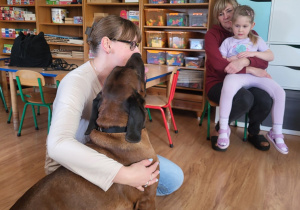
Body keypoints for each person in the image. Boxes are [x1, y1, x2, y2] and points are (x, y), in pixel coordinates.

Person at [45, 15, 184, 195]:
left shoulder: (119, 77)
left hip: (110, 149)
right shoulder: (76, 82)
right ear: (107, 44)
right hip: (75, 163)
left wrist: (139, 84)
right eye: (132, 45)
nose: (137, 52)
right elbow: (58, 145)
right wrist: (126, 175)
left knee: (173, 178)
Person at [216, 5, 288, 154]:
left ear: (252, 25)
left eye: (244, 26)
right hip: (237, 76)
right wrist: (233, 58)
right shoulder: (228, 42)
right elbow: (222, 60)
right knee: (227, 88)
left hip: (256, 76)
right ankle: (223, 128)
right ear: (232, 25)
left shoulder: (256, 40)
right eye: (237, 26)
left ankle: (276, 132)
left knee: (280, 92)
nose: (240, 30)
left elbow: (270, 56)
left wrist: (253, 54)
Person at [204, 0, 273, 151]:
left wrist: (245, 60)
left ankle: (253, 133)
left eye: (229, 11)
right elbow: (218, 64)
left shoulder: (251, 33)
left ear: (237, 11)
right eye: (221, 14)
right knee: (244, 98)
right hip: (217, 82)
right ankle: (220, 129)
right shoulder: (212, 35)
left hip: (247, 81)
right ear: (218, 18)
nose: (226, 16)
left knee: (265, 98)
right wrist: (250, 69)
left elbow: (264, 62)